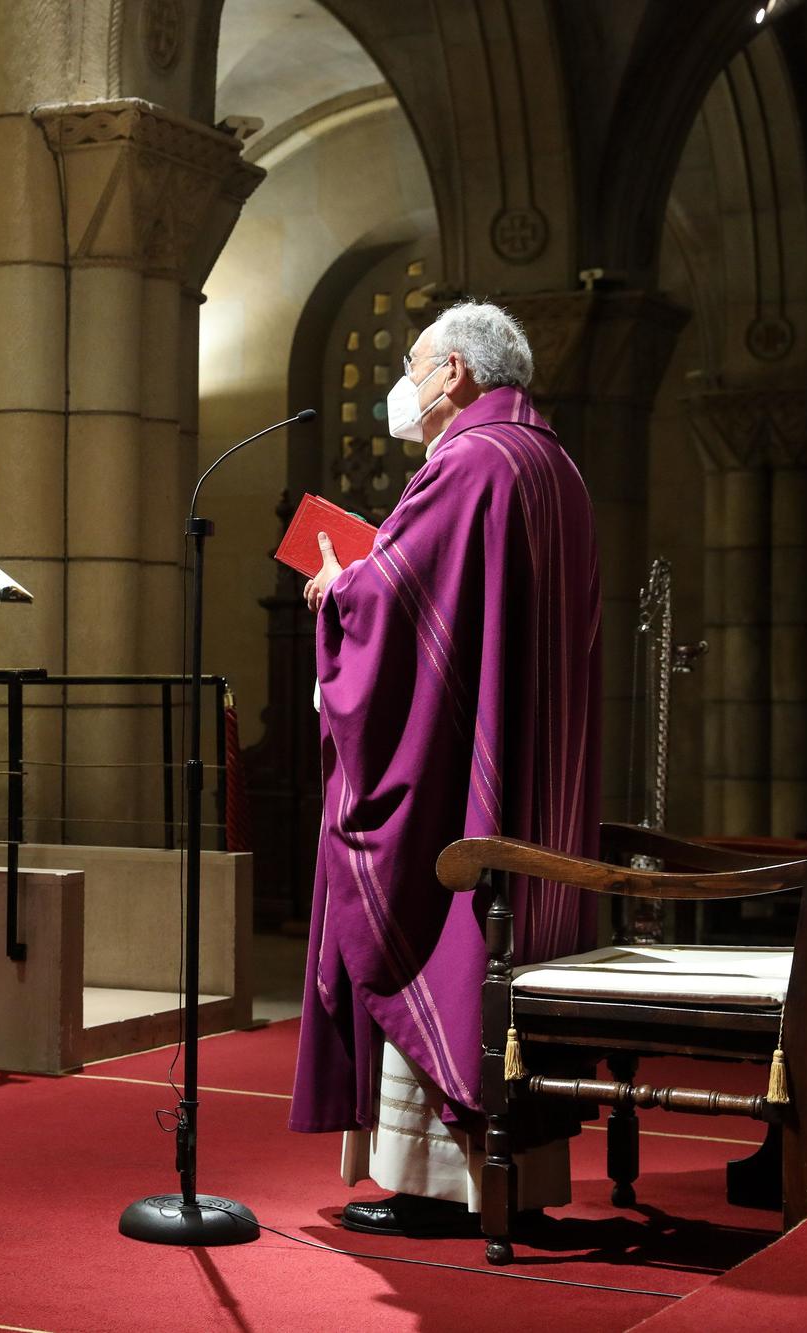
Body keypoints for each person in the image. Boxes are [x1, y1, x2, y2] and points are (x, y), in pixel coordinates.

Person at [291, 301, 601, 1238]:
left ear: (457, 372)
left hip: (467, 787)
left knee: (441, 918)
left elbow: (391, 601)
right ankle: (517, 1167)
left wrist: (336, 585)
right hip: (539, 779)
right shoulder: (555, 465)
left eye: (415, 363)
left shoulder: (467, 462)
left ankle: (436, 1182)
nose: (408, 382)